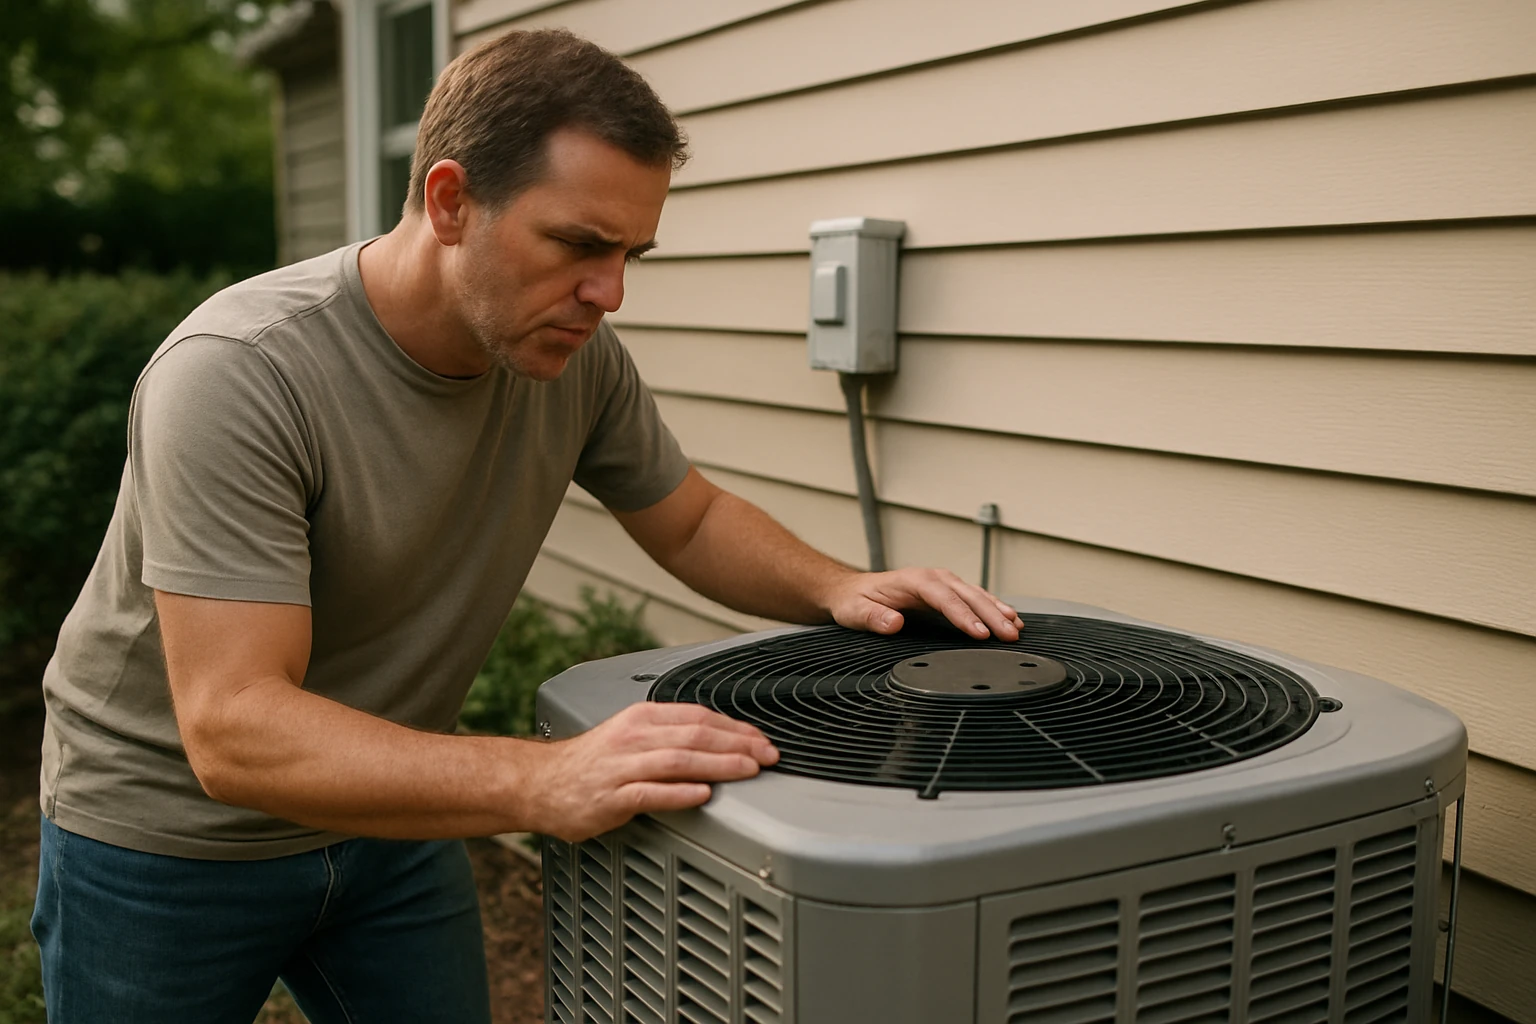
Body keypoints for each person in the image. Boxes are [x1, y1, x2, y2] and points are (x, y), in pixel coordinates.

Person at [30, 27, 1023, 1024]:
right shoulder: (240, 373)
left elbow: (690, 517)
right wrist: (543, 778)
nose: (610, 292)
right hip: (166, 841)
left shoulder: (571, 354)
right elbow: (235, 729)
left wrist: (839, 585)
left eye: (631, 253)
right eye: (581, 244)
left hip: (390, 812)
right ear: (453, 200)